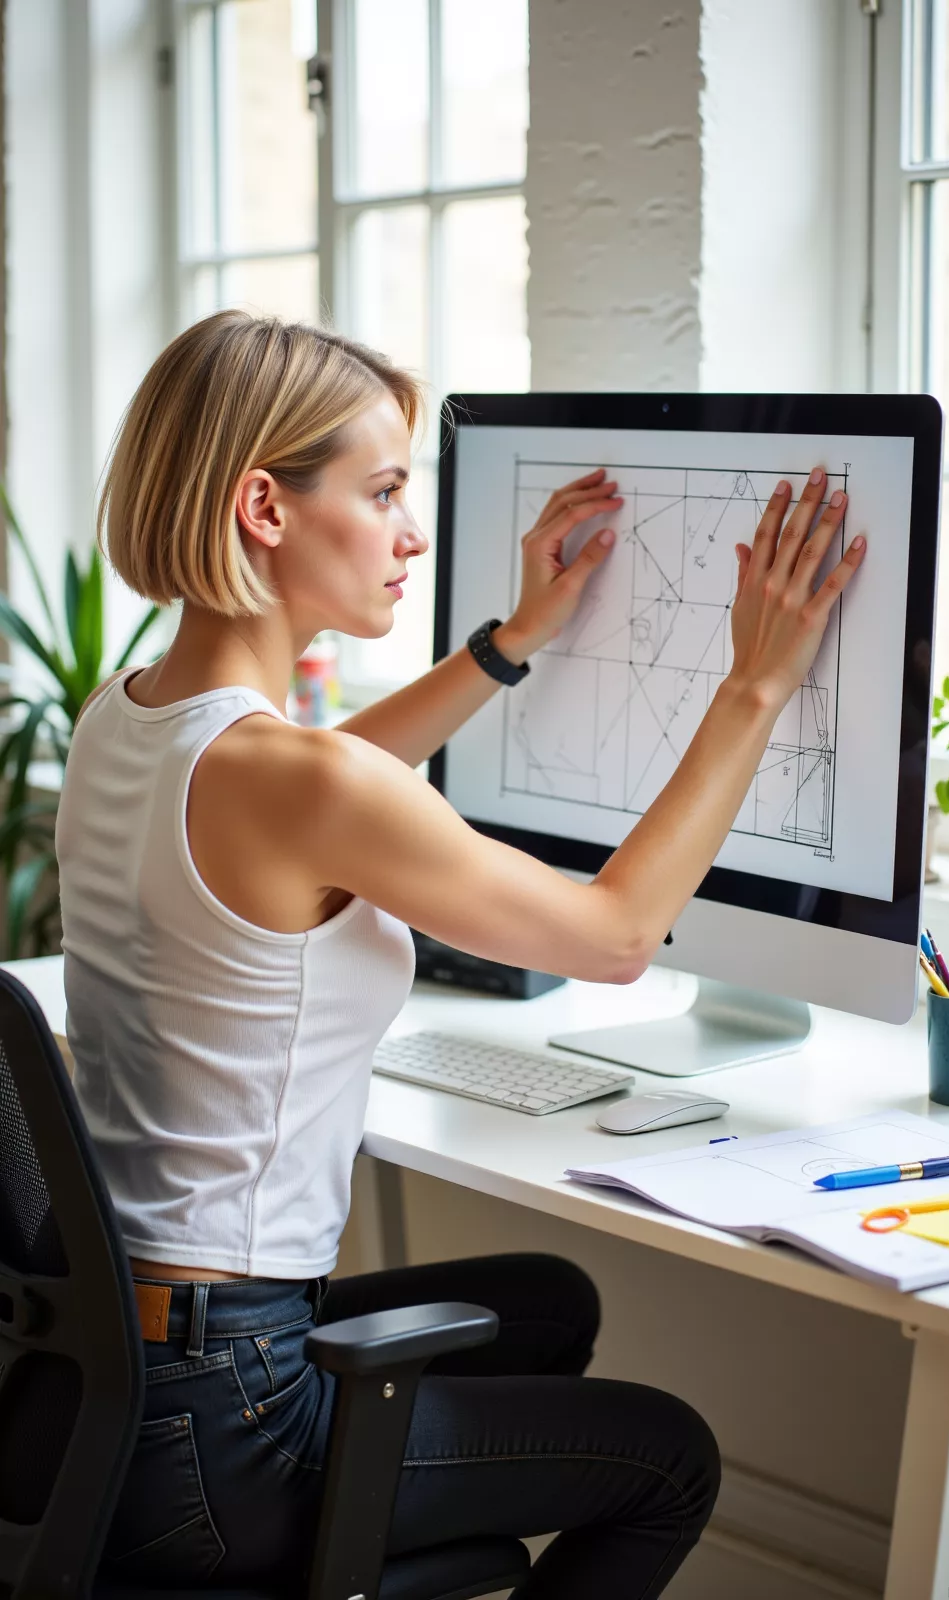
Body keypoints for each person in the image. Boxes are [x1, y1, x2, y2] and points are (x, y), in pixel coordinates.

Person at [55, 310, 865, 1598]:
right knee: (668, 1460)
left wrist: (510, 642)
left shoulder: (129, 717)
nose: (412, 534)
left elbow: (331, 779)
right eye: (383, 493)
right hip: (225, 1431)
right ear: (264, 507)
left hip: (105, 1381)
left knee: (541, 1304)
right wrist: (755, 684)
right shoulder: (293, 779)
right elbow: (617, 937)